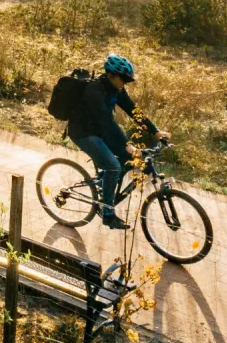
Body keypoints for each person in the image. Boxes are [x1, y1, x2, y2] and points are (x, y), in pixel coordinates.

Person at [67, 54, 169, 230]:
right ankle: (108, 214)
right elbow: (107, 121)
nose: (125, 83)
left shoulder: (116, 90)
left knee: (123, 160)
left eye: (127, 80)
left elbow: (134, 111)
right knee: (114, 166)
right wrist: (127, 145)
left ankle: (105, 182)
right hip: (83, 133)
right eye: (123, 79)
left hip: (99, 130)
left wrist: (156, 131)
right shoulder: (94, 91)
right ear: (111, 75)